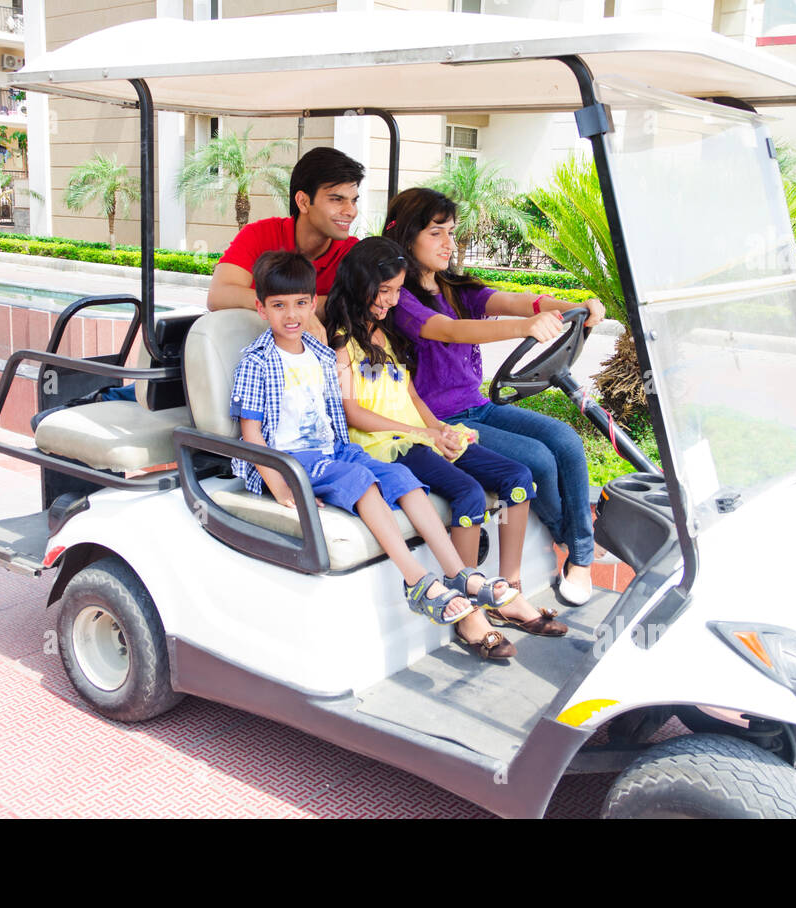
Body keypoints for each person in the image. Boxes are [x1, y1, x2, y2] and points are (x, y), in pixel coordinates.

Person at [230, 249, 519, 659]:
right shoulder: (256, 362)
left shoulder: (319, 354)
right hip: (292, 461)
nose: (290, 315)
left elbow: (337, 418)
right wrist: (280, 486)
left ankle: (460, 574)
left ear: (313, 304)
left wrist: (427, 431)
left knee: (402, 480)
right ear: (261, 308)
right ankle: (417, 580)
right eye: (278, 306)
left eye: (299, 304)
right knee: (361, 481)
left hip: (334, 450)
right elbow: (251, 433)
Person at [324, 237, 568, 637]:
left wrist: (438, 430)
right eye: (382, 291)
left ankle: (508, 592)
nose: (389, 300)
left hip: (420, 434)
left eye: (397, 291)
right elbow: (353, 412)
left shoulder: (385, 335)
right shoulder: (339, 339)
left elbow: (411, 395)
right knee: (469, 492)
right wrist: (422, 433)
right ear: (358, 283)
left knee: (519, 477)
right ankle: (470, 609)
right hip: (385, 445)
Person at [383, 188, 606, 605]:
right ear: (408, 236)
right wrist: (524, 328)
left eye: (451, 231)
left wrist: (572, 305)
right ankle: (572, 543)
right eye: (436, 233)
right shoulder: (401, 301)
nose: (449, 242)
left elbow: (516, 301)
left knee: (566, 441)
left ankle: (580, 557)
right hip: (440, 422)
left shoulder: (454, 288)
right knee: (537, 458)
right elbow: (450, 331)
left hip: (479, 407)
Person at [207, 146, 365, 338]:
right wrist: (299, 311)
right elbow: (218, 295)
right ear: (303, 202)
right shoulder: (259, 234)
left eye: (353, 201)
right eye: (337, 199)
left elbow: (358, 306)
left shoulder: (354, 252)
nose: (351, 211)